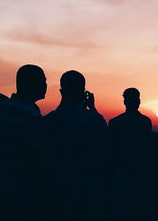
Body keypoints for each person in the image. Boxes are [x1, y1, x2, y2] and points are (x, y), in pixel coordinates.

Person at [0, 65, 47, 221]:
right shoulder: (29, 112)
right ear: (29, 83)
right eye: (42, 81)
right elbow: (34, 156)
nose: (45, 85)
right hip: (18, 190)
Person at [44, 70, 109, 221]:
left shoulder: (49, 121)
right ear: (83, 92)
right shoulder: (94, 120)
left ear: (62, 91)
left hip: (58, 188)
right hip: (89, 188)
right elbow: (106, 147)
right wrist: (91, 108)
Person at [109, 88, 153, 221]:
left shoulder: (115, 123)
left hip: (126, 172)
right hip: (138, 173)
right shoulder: (145, 122)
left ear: (125, 101)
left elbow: (111, 151)